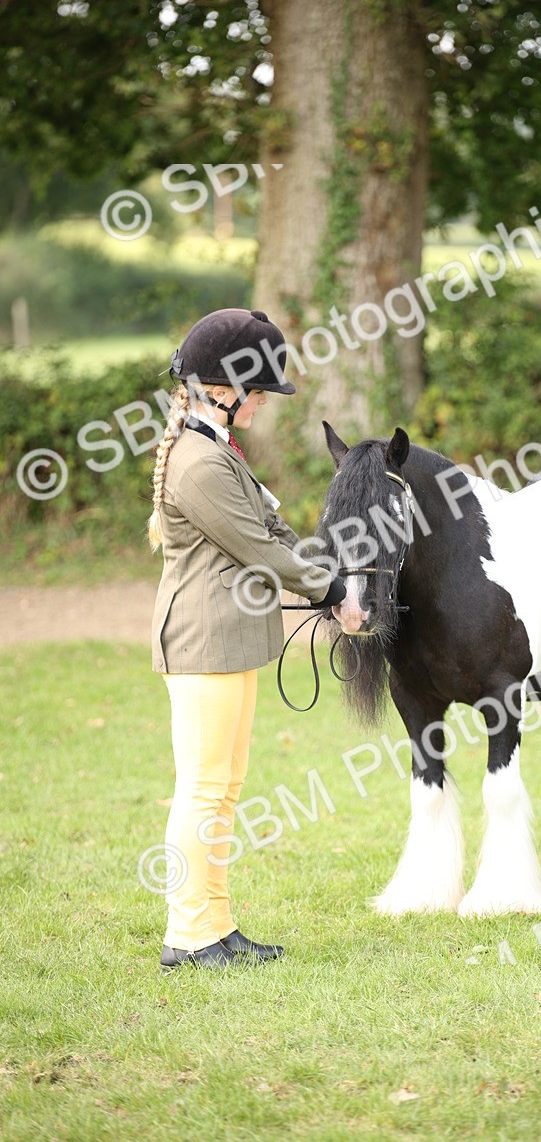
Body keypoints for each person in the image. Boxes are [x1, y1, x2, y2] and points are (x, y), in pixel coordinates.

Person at [148, 307, 345, 974]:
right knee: (203, 789)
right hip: (204, 639)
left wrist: (328, 574)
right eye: (259, 392)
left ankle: (216, 925)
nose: (264, 404)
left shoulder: (218, 448)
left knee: (224, 789)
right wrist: (333, 593)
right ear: (224, 390)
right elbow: (259, 549)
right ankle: (189, 934)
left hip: (227, 638)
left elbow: (273, 530)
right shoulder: (200, 463)